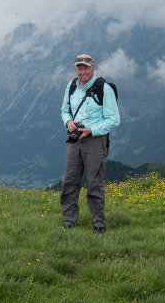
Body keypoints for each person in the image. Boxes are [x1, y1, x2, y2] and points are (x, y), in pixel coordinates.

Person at [60, 54, 120, 233]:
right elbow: (64, 111)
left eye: (86, 67)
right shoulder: (71, 87)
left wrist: (91, 130)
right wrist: (68, 122)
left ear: (93, 68)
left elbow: (114, 119)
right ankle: (70, 222)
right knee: (69, 182)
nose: (83, 71)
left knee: (94, 183)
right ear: (76, 69)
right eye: (79, 68)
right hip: (75, 139)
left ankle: (99, 224)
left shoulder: (104, 89)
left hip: (94, 140)